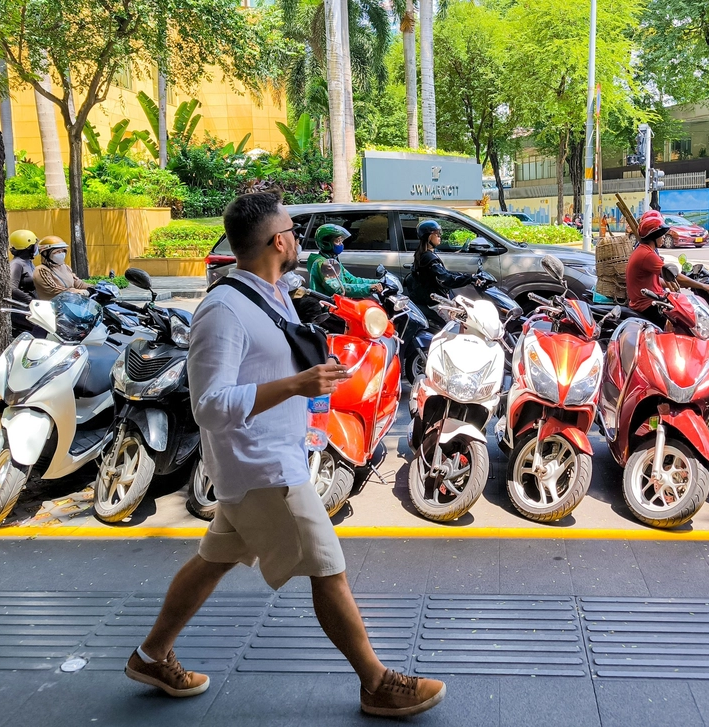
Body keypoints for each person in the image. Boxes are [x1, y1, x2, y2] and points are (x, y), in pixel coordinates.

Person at [126, 192, 445, 717]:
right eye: (292, 232)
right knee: (328, 567)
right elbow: (208, 406)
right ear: (279, 241)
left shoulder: (270, 291)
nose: (298, 240)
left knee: (213, 561)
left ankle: (150, 654)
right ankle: (376, 683)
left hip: (275, 456)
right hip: (260, 468)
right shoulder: (222, 310)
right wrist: (298, 384)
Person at [625, 210, 709, 328]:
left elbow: (652, 281)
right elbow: (675, 275)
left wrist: (681, 284)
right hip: (648, 306)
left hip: (650, 300)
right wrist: (703, 286)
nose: (664, 237)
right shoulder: (647, 255)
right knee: (683, 326)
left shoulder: (644, 250)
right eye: (662, 234)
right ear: (654, 236)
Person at [407, 219, 475, 328]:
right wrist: (470, 279)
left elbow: (443, 272)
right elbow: (446, 279)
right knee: (462, 324)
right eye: (437, 234)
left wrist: (466, 276)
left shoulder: (424, 253)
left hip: (434, 298)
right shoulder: (429, 258)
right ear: (429, 237)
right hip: (436, 303)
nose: (440, 236)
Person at [307, 223, 382, 298]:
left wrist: (377, 282)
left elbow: (352, 279)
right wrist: (368, 288)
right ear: (326, 243)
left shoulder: (332, 260)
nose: (341, 244)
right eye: (337, 241)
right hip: (328, 306)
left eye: (341, 241)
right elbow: (337, 288)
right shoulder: (323, 263)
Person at [8, 230, 39, 303]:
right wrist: (31, 300)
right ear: (29, 247)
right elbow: (12, 288)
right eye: (35, 244)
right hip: (22, 309)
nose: (36, 247)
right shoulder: (17, 264)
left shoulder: (28, 261)